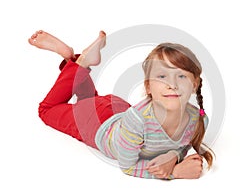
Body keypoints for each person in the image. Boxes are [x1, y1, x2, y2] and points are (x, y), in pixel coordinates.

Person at [28, 30, 214, 179]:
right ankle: (79, 61)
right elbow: (128, 166)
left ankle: (75, 61)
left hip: (117, 108)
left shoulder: (198, 119)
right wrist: (174, 172)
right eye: (162, 76)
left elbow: (182, 145)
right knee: (46, 110)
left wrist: (174, 156)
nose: (172, 85)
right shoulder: (139, 120)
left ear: (194, 84)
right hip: (98, 124)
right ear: (148, 86)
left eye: (181, 76)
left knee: (87, 100)